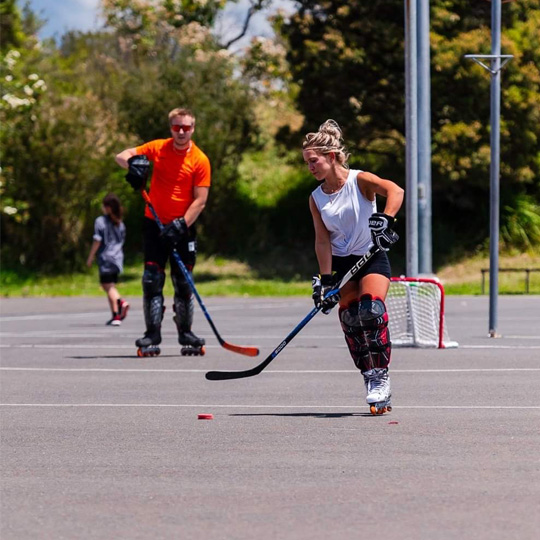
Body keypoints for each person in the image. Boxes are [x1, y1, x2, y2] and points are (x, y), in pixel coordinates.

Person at [303, 119, 404, 415]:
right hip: (342, 264)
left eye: (313, 161)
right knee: (349, 318)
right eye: (307, 162)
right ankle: (370, 377)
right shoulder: (316, 198)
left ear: (331, 157)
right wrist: (325, 280)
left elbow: (395, 191)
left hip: (371, 257)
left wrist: (386, 218)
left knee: (370, 310)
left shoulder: (359, 181)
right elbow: (322, 241)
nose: (310, 167)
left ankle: (381, 376)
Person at [115, 107, 211, 356]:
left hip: (183, 228)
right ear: (171, 128)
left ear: (193, 128)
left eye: (186, 127)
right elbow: (121, 155)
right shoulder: (158, 148)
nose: (181, 132)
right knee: (151, 280)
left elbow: (200, 200)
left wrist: (181, 224)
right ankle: (152, 334)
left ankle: (186, 331)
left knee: (183, 281)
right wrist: (134, 166)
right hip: (154, 223)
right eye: (177, 127)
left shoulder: (200, 159)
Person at [86, 193, 130, 326]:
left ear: (109, 207)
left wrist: (90, 257)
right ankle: (116, 315)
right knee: (111, 286)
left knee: (108, 286)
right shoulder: (120, 223)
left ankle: (121, 302)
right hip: (117, 258)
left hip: (106, 258)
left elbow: (97, 240)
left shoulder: (100, 221)